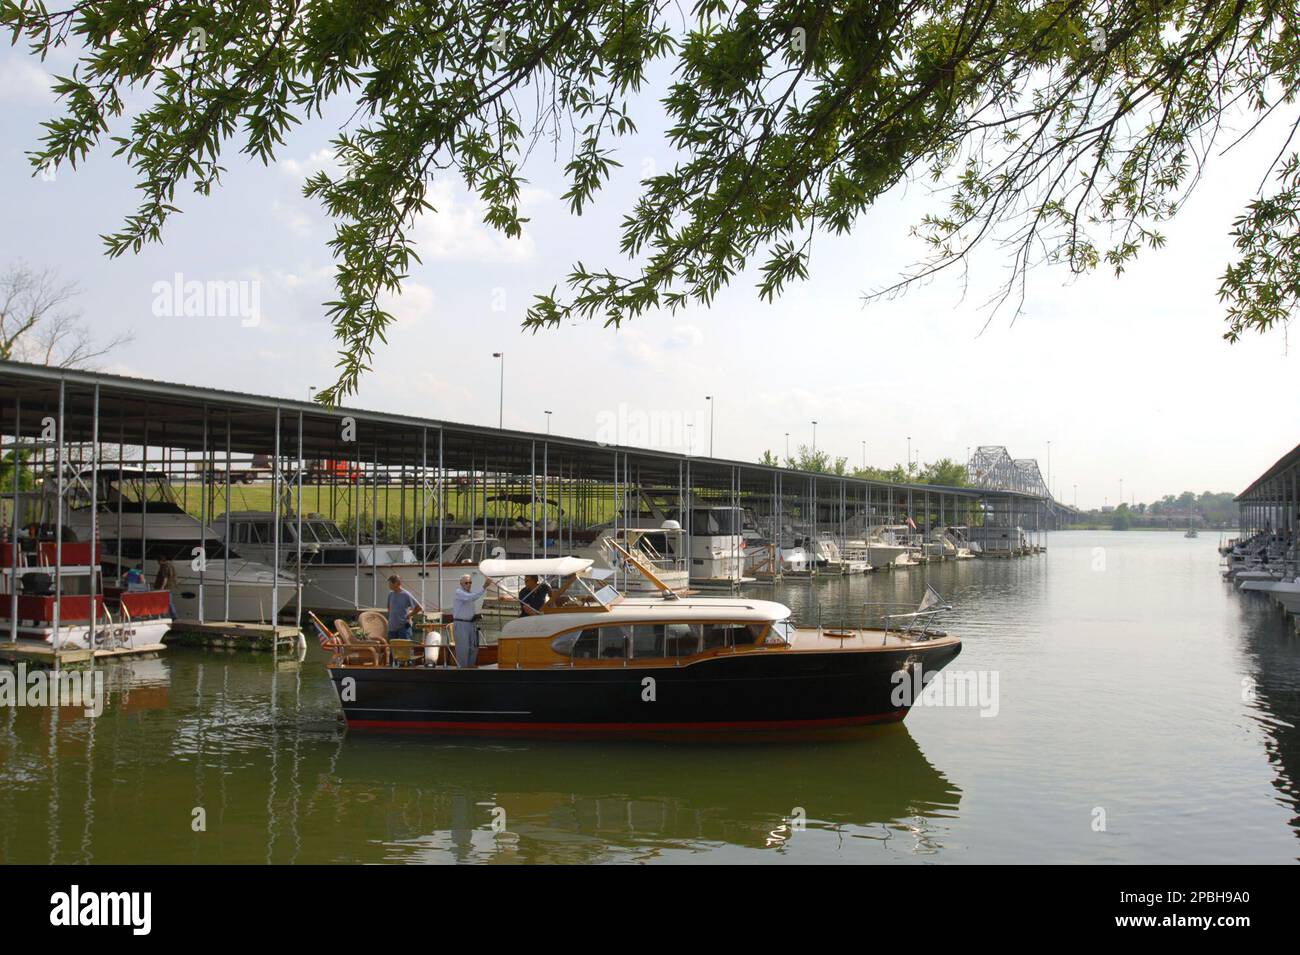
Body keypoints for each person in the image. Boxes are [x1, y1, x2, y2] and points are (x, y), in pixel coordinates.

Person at [451, 573, 486, 667]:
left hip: (471, 624)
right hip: (461, 624)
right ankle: (462, 670)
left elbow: (471, 599)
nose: (469, 584)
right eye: (466, 583)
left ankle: (470, 668)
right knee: (463, 649)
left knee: (474, 648)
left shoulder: (470, 593)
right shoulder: (459, 592)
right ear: (461, 583)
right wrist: (484, 587)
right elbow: (471, 598)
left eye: (470, 582)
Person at [385, 574, 423, 641]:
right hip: (392, 628)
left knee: (405, 649)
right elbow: (389, 609)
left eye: (390, 583)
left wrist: (409, 615)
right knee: (392, 649)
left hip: (404, 628)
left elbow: (419, 607)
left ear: (396, 583)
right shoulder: (390, 594)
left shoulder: (406, 594)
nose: (388, 585)